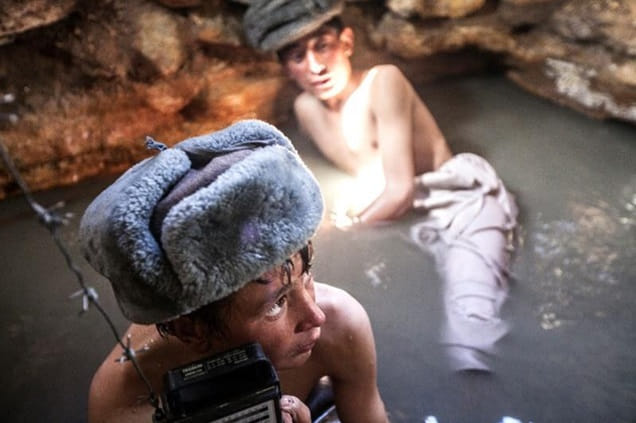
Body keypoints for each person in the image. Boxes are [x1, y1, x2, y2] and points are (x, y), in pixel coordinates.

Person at [243, 0, 518, 371]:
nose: (315, 66)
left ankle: (477, 388)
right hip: (383, 211)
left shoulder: (383, 81)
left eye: (322, 46)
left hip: (455, 201)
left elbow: (401, 190)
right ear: (286, 68)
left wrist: (345, 231)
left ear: (347, 42)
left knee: (470, 327)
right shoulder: (306, 109)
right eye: (297, 56)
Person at [79, 120, 389, 423]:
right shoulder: (129, 404)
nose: (315, 315)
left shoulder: (339, 325)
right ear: (192, 331)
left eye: (306, 275)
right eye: (277, 304)